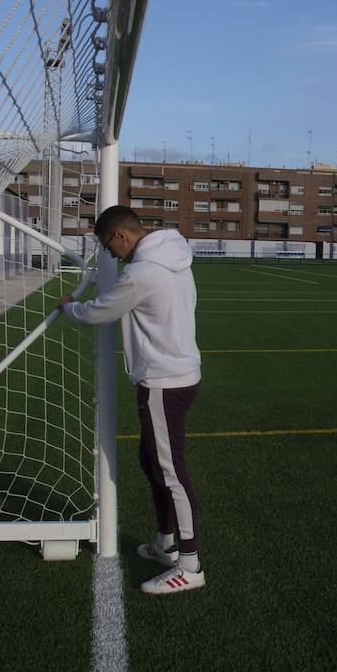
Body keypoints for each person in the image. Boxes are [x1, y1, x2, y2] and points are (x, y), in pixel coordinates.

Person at [58, 205, 204, 595]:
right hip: (180, 375)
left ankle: (190, 565)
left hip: (163, 383)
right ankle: (166, 543)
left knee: (171, 472)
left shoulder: (142, 273)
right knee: (151, 461)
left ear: (121, 235)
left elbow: (96, 313)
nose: (111, 255)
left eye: (109, 247)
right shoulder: (175, 257)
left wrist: (68, 307)